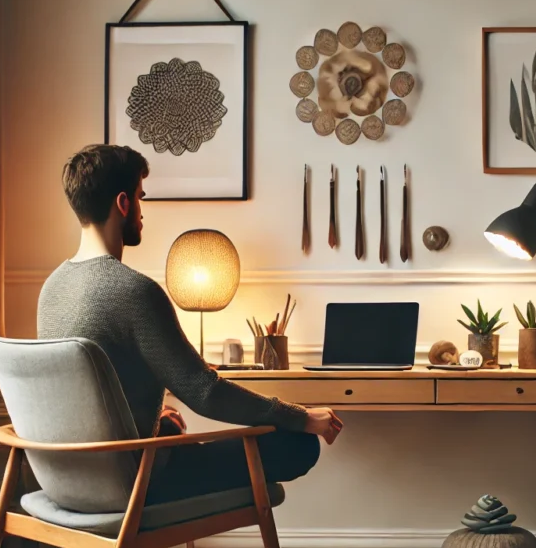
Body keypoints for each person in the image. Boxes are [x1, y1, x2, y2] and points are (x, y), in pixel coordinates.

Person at [38, 144, 342, 506]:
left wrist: (152, 422)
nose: (141, 211)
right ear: (123, 204)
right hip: (135, 484)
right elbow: (205, 392)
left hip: (66, 483)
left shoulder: (51, 289)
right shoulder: (135, 292)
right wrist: (302, 416)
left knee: (170, 425)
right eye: (140, 197)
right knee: (298, 444)